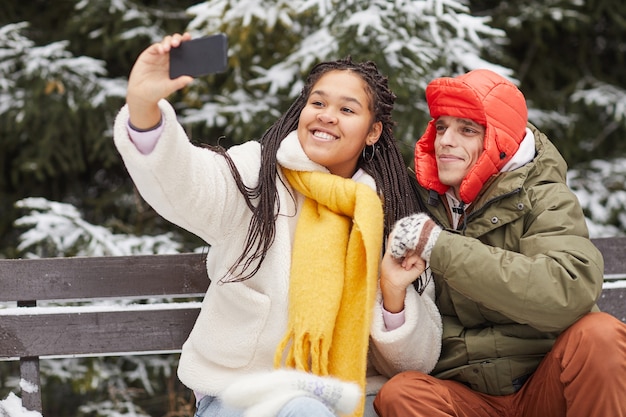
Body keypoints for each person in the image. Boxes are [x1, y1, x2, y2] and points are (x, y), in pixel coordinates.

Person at [113, 33, 442, 417]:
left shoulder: (390, 216)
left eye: (347, 110)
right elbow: (185, 182)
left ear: (373, 131)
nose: (326, 115)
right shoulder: (258, 177)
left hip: (351, 398)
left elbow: (415, 365)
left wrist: (393, 294)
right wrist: (143, 107)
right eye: (317, 102)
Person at [374, 68, 626, 417]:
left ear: (500, 141)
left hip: (545, 385)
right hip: (466, 395)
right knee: (403, 394)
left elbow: (568, 289)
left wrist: (440, 247)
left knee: (599, 335)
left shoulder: (544, 197)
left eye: (467, 130)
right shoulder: (414, 201)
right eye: (442, 126)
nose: (445, 140)